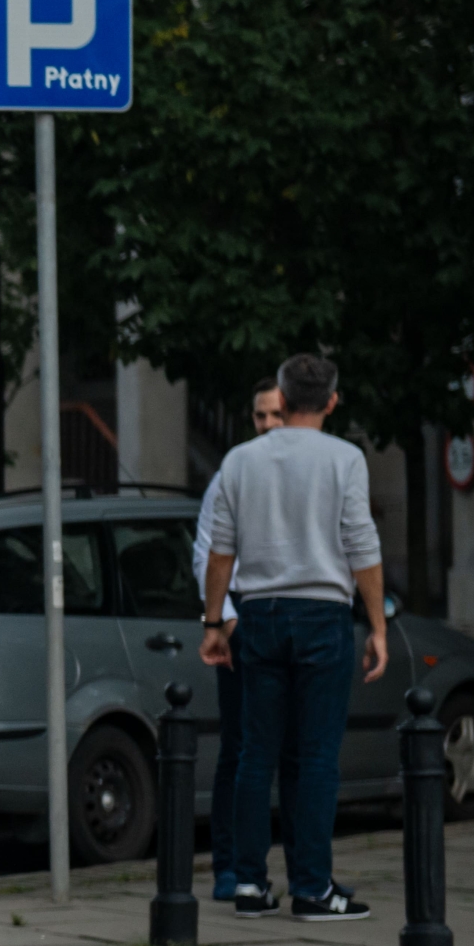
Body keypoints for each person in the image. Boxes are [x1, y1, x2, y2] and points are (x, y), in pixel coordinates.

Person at [199, 353, 386, 921]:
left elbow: (220, 550)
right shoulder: (345, 459)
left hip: (258, 615)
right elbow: (362, 545)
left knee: (256, 754)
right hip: (323, 615)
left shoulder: (240, 461)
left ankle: (251, 885)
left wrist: (214, 623)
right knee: (315, 758)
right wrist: (376, 625)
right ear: (331, 401)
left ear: (281, 396)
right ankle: (311, 887)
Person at [192, 379, 288, 900]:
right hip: (245, 621)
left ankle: (302, 868)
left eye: (276, 414)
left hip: (293, 620)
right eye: (259, 416)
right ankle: (231, 865)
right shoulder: (234, 470)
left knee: (295, 751)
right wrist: (225, 621)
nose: (268, 426)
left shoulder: (313, 467)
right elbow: (207, 548)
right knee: (241, 748)